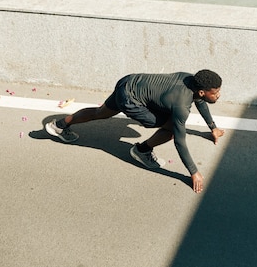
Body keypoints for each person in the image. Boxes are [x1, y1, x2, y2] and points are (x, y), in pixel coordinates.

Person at [45, 70, 224, 193]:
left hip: (128, 81)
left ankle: (59, 125)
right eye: (215, 93)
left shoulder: (189, 79)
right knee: (171, 128)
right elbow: (179, 140)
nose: (218, 95)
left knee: (101, 113)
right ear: (201, 91)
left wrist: (213, 127)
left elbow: (200, 101)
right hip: (131, 99)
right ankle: (142, 150)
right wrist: (194, 172)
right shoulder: (181, 104)